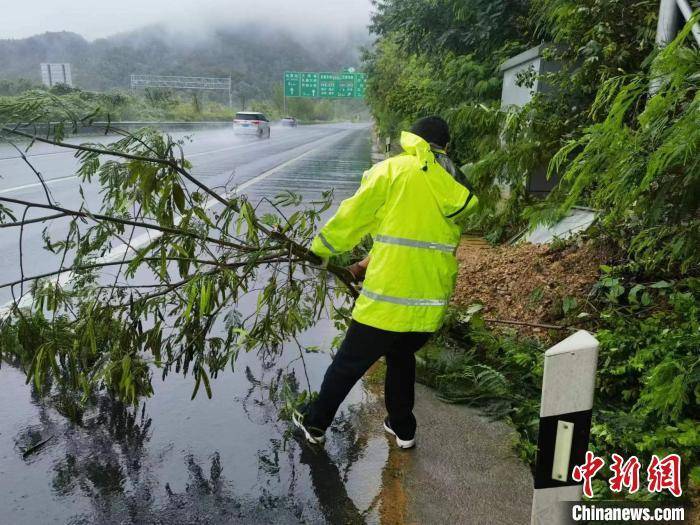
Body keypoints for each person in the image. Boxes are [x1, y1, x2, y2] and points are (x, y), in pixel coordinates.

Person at [293, 116, 478, 449]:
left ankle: (315, 424)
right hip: (427, 305)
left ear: (413, 140)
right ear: (444, 147)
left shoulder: (392, 171)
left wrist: (320, 250)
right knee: (401, 358)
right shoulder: (453, 183)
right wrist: (363, 265)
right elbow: (410, 237)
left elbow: (354, 217)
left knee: (348, 364)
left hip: (387, 300)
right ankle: (403, 429)